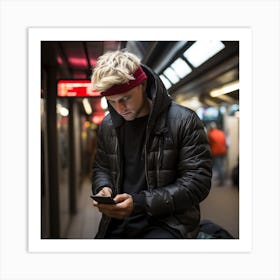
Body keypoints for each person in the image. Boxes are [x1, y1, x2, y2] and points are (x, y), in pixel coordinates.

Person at [90, 50, 212, 239]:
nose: (120, 108)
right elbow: (102, 166)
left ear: (143, 83)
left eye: (125, 98)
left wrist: (139, 203)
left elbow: (197, 183)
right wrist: (103, 188)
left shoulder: (184, 120)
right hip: (117, 221)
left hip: (169, 223)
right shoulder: (108, 125)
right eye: (112, 101)